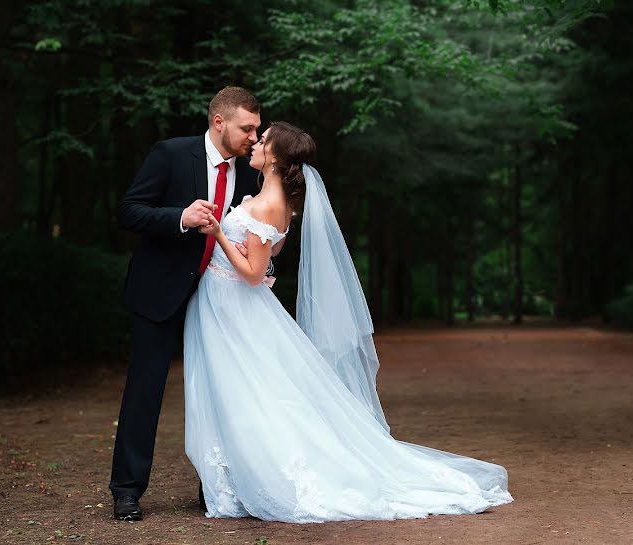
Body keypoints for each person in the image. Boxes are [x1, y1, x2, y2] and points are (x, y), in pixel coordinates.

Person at [184, 121, 513, 522]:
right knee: (251, 390)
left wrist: (218, 232)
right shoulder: (275, 199)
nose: (255, 143)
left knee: (250, 390)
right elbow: (268, 258)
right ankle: (238, 473)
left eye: (263, 139)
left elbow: (254, 273)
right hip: (231, 304)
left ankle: (263, 474)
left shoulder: (267, 203)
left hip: (235, 304)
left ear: (274, 155)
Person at [109, 86, 271, 521]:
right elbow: (128, 211)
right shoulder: (171, 154)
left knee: (221, 392)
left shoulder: (252, 174)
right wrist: (180, 217)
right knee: (145, 391)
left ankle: (214, 488)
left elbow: (257, 235)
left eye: (257, 129)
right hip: (158, 291)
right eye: (247, 128)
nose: (254, 138)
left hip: (217, 298)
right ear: (219, 122)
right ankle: (127, 490)